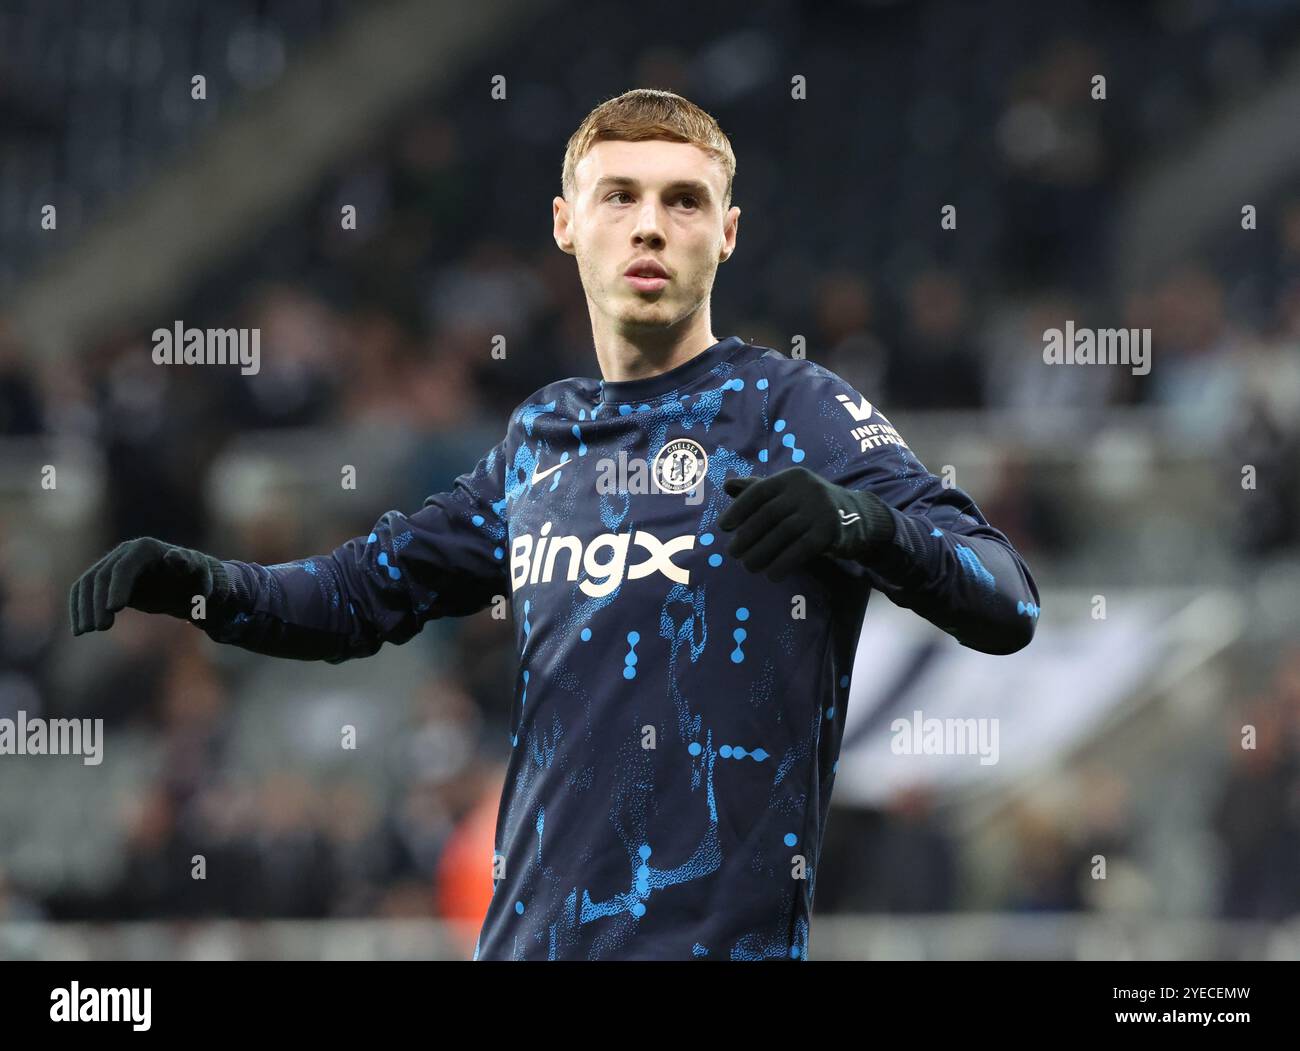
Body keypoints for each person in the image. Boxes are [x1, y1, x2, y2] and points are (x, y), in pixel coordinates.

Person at [69, 88, 1040, 960]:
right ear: (566, 224)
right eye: (618, 195)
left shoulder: (797, 411)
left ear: (729, 233)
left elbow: (1006, 598)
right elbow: (356, 595)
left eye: (683, 200)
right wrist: (198, 583)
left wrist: (867, 523)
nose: (649, 227)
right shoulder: (542, 440)